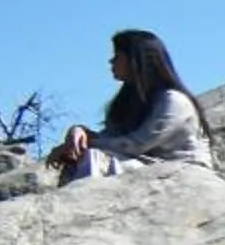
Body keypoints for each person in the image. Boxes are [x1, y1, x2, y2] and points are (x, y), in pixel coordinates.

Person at [46, 30, 214, 182]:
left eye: (117, 56)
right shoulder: (128, 101)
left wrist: (86, 144)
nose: (111, 61)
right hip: (149, 167)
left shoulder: (174, 101)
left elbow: (135, 145)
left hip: (184, 172)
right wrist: (79, 133)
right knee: (77, 161)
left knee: (94, 158)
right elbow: (112, 138)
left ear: (135, 60)